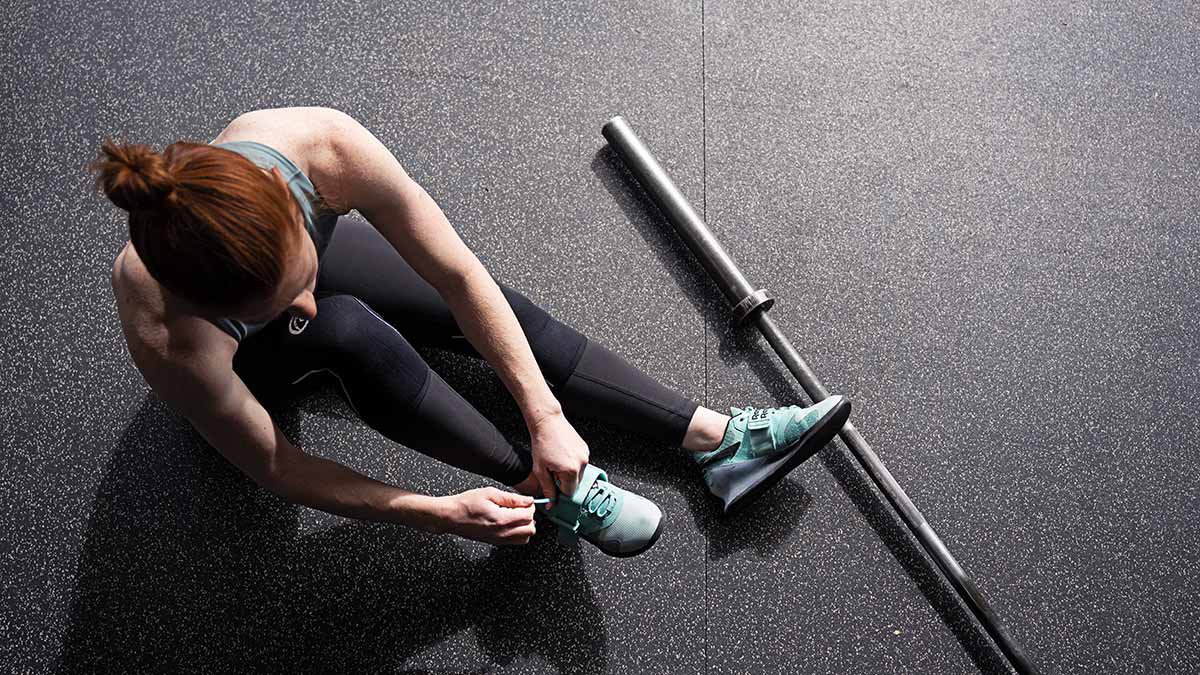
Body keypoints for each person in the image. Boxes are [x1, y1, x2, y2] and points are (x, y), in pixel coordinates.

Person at [93, 106, 852, 558]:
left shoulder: (317, 146)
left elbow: (459, 274)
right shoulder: (173, 336)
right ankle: (541, 492)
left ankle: (717, 441)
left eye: (301, 274)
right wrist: (442, 513)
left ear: (289, 202)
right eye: (281, 301)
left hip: (278, 259)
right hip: (250, 368)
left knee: (457, 295)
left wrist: (545, 412)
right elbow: (275, 465)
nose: (306, 304)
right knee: (348, 330)